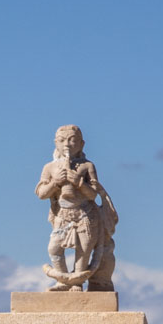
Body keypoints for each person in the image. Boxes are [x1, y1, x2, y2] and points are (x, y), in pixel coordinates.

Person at [36, 124, 117, 291]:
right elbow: (41, 193)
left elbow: (93, 194)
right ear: (55, 143)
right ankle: (62, 279)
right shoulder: (49, 168)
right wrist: (55, 182)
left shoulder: (87, 166)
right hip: (63, 214)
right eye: (62, 140)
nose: (67, 144)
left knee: (84, 249)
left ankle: (77, 282)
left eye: (72, 140)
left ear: (81, 144)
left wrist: (79, 182)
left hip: (85, 214)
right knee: (54, 248)